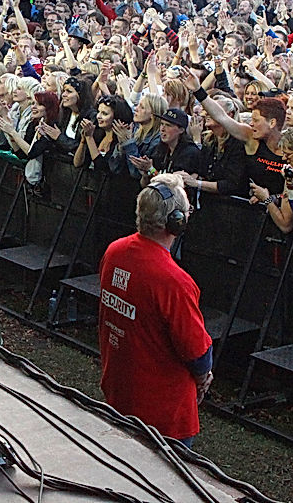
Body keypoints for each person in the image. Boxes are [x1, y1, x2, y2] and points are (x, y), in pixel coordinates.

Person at [98, 174, 212, 445]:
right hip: (164, 416)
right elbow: (197, 354)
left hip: (121, 395)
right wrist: (204, 375)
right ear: (177, 222)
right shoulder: (174, 282)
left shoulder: (115, 252)